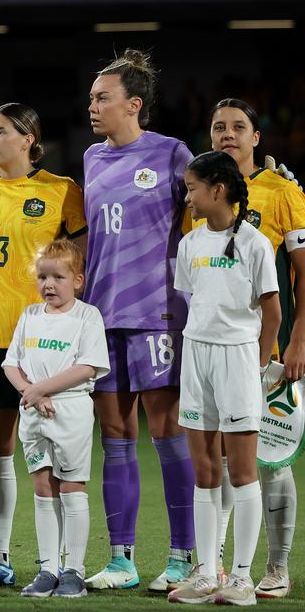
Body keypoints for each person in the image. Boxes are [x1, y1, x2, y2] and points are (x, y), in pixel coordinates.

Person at [82, 51, 197, 592]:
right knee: (115, 434)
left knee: (168, 432)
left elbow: (206, 218)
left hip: (159, 314)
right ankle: (122, 560)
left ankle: (181, 556)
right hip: (101, 318)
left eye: (103, 97)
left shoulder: (173, 154)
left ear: (134, 104)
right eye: (91, 97)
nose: (93, 106)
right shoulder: (90, 159)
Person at [0, 103, 86, 587]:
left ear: (28, 138)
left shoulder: (61, 190)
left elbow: (81, 262)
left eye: (1, 132)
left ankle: (61, 563)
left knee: (55, 455)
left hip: (44, 341)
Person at [168, 151, 281, 605]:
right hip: (197, 355)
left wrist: (254, 368)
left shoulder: (255, 243)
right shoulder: (190, 243)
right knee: (205, 470)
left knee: (242, 471)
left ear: (217, 190)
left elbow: (271, 315)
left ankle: (241, 579)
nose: (187, 195)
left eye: (192, 187)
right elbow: (193, 304)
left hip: (237, 359)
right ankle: (206, 574)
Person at [206, 98, 305, 598]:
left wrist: (298, 341)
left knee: (272, 455)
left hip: (271, 349)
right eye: (219, 126)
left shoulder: (283, 192)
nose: (228, 134)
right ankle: (221, 566)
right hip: (220, 348)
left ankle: (278, 568)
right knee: (226, 457)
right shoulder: (205, 193)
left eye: (238, 127)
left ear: (256, 138)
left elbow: (304, 276)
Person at [3, 239, 109, 598]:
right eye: (43, 277)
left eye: (58, 277)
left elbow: (87, 366)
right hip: (33, 412)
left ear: (77, 280)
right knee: (43, 487)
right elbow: (11, 363)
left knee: (71, 486)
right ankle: (48, 568)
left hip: (71, 410)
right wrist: (29, 392)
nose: (49, 285)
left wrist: (40, 389)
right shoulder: (30, 316)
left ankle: (74, 570)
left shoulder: (87, 316)